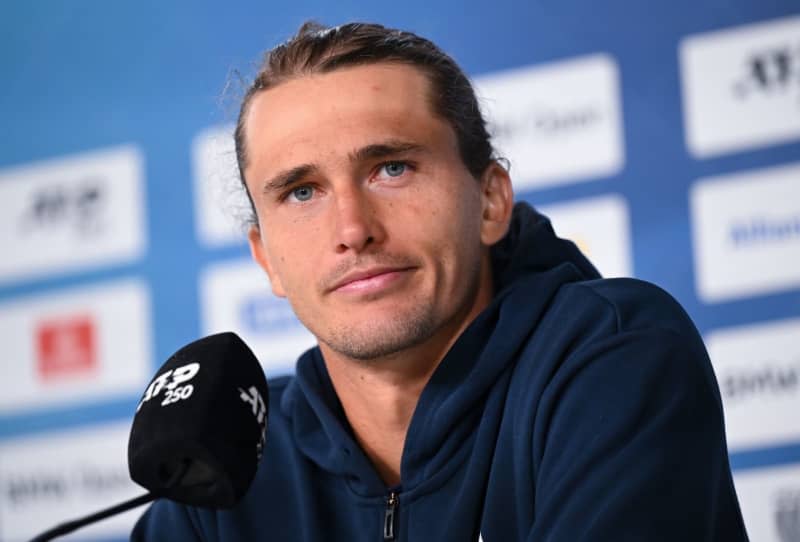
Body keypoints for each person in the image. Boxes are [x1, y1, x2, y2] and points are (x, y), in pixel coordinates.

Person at [133, 21, 748, 540]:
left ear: (489, 201)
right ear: (265, 258)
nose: (353, 228)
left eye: (391, 167)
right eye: (301, 191)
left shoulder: (612, 353)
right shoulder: (228, 459)